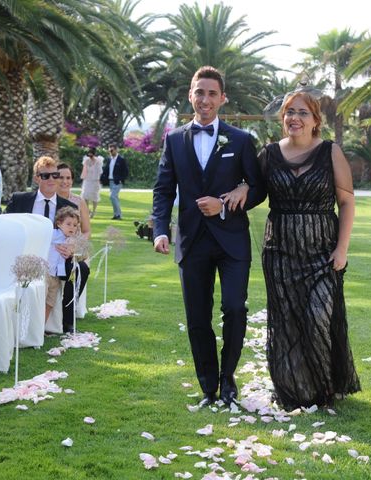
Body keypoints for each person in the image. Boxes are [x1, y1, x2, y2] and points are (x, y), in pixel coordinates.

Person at [151, 66, 266, 407]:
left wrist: (227, 204)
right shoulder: (173, 141)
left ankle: (228, 380)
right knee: (197, 318)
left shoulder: (241, 140)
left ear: (222, 98)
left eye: (212, 93)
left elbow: (258, 188)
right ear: (191, 95)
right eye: (199, 92)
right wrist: (159, 230)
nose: (205, 99)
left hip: (232, 240)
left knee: (234, 308)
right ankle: (208, 389)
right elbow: (162, 190)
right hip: (191, 241)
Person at [244, 90, 360, 410]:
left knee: (318, 317)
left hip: (323, 252)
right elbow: (252, 189)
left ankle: (323, 388)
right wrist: (242, 187)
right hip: (280, 253)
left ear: (315, 121)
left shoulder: (330, 152)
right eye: (289, 112)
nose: (294, 118)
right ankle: (295, 389)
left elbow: (347, 201)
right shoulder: (268, 155)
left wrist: (342, 249)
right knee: (287, 323)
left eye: (302, 113)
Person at [45, 206, 90, 334]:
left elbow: (85, 253)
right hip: (49, 270)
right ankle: (40, 327)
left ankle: (68, 320)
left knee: (81, 269)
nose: (72, 228)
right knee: (49, 298)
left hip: (62, 269)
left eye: (75, 225)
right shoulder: (53, 234)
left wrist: (74, 249)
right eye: (69, 224)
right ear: (59, 224)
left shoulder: (74, 238)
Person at [57, 163, 91, 237]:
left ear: (72, 181)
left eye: (68, 178)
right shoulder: (48, 200)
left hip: (74, 246)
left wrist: (74, 244)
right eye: (61, 177)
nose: (65, 181)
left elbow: (87, 231)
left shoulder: (79, 201)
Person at [100, 144, 128, 220]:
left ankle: (119, 215)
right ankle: (116, 215)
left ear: (116, 150)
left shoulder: (121, 159)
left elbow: (125, 172)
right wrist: (101, 178)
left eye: (112, 150)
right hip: (110, 181)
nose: (110, 152)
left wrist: (121, 179)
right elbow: (106, 170)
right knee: (114, 198)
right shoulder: (109, 159)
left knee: (112, 196)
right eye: (109, 150)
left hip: (117, 182)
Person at [80, 147, 103, 218]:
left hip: (95, 181)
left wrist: (99, 181)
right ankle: (87, 211)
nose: (90, 155)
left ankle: (94, 211)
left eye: (91, 153)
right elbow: (84, 171)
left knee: (94, 197)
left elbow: (100, 172)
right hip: (87, 180)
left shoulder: (98, 161)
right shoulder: (86, 161)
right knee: (85, 196)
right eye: (89, 153)